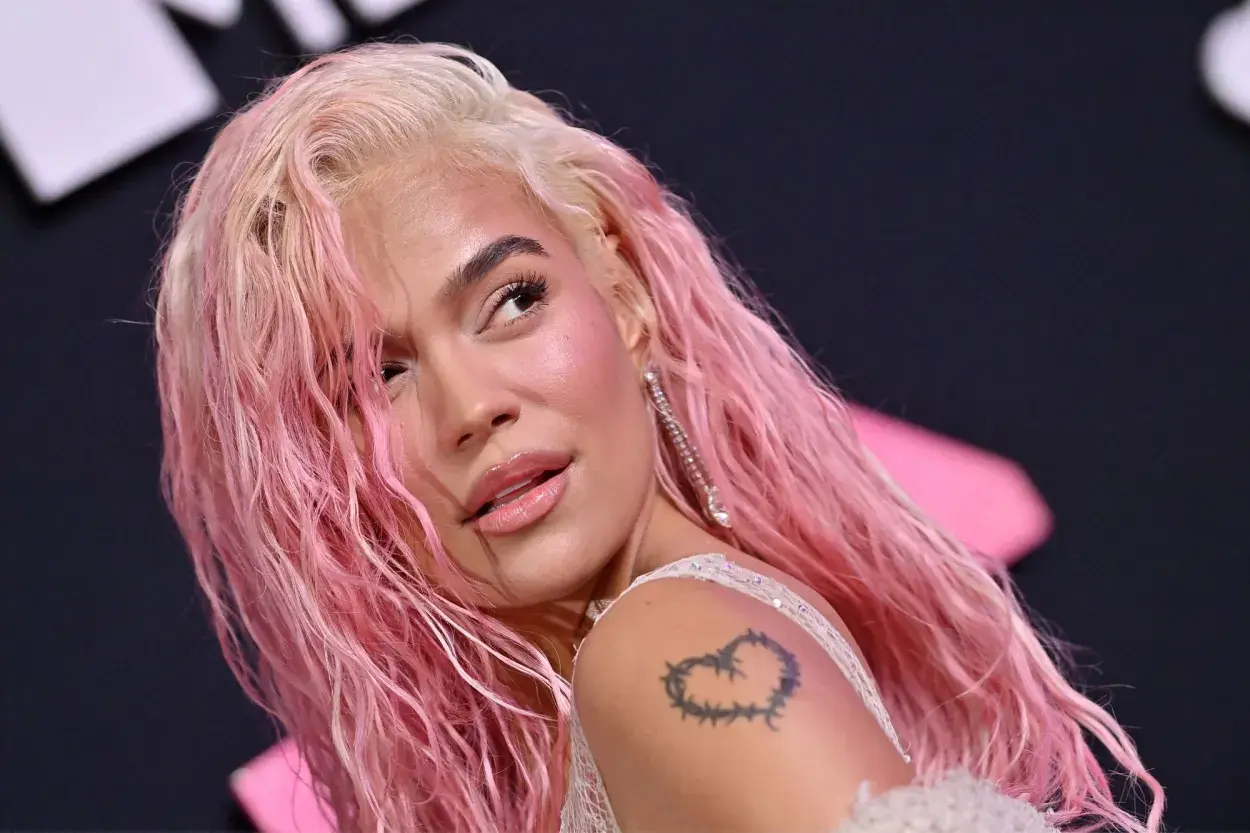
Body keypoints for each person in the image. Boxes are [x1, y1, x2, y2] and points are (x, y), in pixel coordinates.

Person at [154, 43, 1164, 833]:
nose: (471, 406)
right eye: (372, 379)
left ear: (623, 290)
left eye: (512, 299)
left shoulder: (665, 649)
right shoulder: (679, 644)